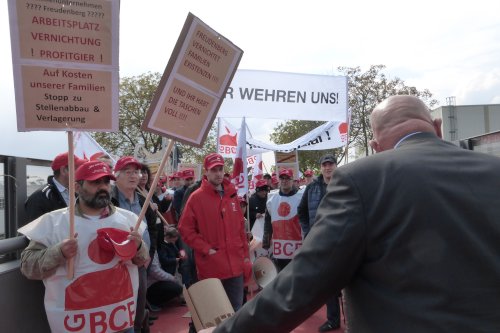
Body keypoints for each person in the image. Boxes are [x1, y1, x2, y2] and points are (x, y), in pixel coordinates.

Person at [200, 95, 500, 333]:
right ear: (436, 126)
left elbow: (306, 282)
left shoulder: (359, 179)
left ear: (375, 145)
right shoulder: (493, 171)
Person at [19, 160, 149, 333]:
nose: (103, 187)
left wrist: (138, 246)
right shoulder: (55, 223)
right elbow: (28, 267)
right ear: (77, 187)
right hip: (77, 323)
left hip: (120, 322)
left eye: (106, 182)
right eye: (95, 182)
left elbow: (141, 261)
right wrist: (58, 252)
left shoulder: (129, 220)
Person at [178, 153, 250, 311]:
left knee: (236, 312)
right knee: (216, 314)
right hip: (212, 267)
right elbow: (185, 229)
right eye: (214, 169)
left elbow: (240, 230)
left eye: (220, 169)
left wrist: (245, 258)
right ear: (206, 172)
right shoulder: (196, 198)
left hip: (235, 266)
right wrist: (206, 249)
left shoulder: (232, 195)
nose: (218, 173)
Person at [110, 156, 157, 333]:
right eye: (128, 172)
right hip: (117, 265)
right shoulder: (108, 200)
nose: (133, 176)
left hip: (140, 263)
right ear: (117, 175)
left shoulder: (144, 201)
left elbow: (152, 230)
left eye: (136, 172)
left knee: (138, 308)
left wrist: (149, 254)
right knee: (119, 310)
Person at [297, 153, 339, 332]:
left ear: (336, 166)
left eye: (331, 164)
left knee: (347, 283)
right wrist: (308, 231)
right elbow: (302, 210)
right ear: (321, 168)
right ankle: (333, 319)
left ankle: (354, 320)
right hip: (319, 241)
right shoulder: (312, 187)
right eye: (325, 165)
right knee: (326, 282)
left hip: (342, 239)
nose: (328, 167)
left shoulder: (346, 183)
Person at [24, 152, 86, 222]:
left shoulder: (78, 191)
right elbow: (36, 230)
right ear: (63, 170)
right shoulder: (39, 198)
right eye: (77, 168)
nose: (81, 172)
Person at [262, 168, 303, 271]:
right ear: (279, 180)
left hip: (297, 246)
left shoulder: (302, 197)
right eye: (282, 178)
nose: (284, 181)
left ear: (292, 180)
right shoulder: (271, 200)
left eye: (287, 178)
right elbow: (267, 223)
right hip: (279, 248)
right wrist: (266, 243)